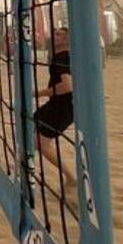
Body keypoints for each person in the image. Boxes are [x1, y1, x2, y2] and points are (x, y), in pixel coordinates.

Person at [34, 27, 76, 187]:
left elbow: (67, 86)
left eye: (58, 34)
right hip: (56, 104)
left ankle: (71, 178)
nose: (54, 36)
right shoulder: (60, 56)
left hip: (63, 108)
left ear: (66, 40)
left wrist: (39, 93)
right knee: (31, 123)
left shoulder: (64, 57)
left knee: (42, 145)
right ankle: (22, 162)